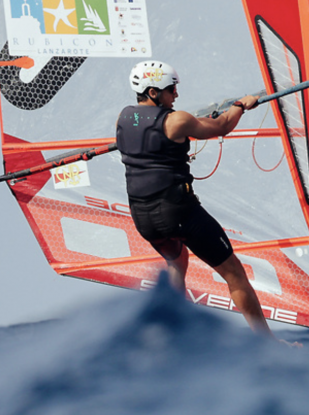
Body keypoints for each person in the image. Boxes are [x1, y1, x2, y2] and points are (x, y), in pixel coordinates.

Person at [116, 60, 273, 336]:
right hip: (178, 212)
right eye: (170, 89)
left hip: (143, 218)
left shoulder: (124, 118)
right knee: (234, 273)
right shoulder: (177, 120)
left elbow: (150, 133)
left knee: (177, 261)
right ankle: (269, 345)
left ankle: (173, 338)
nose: (176, 95)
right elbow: (222, 126)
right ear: (153, 92)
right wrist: (240, 105)